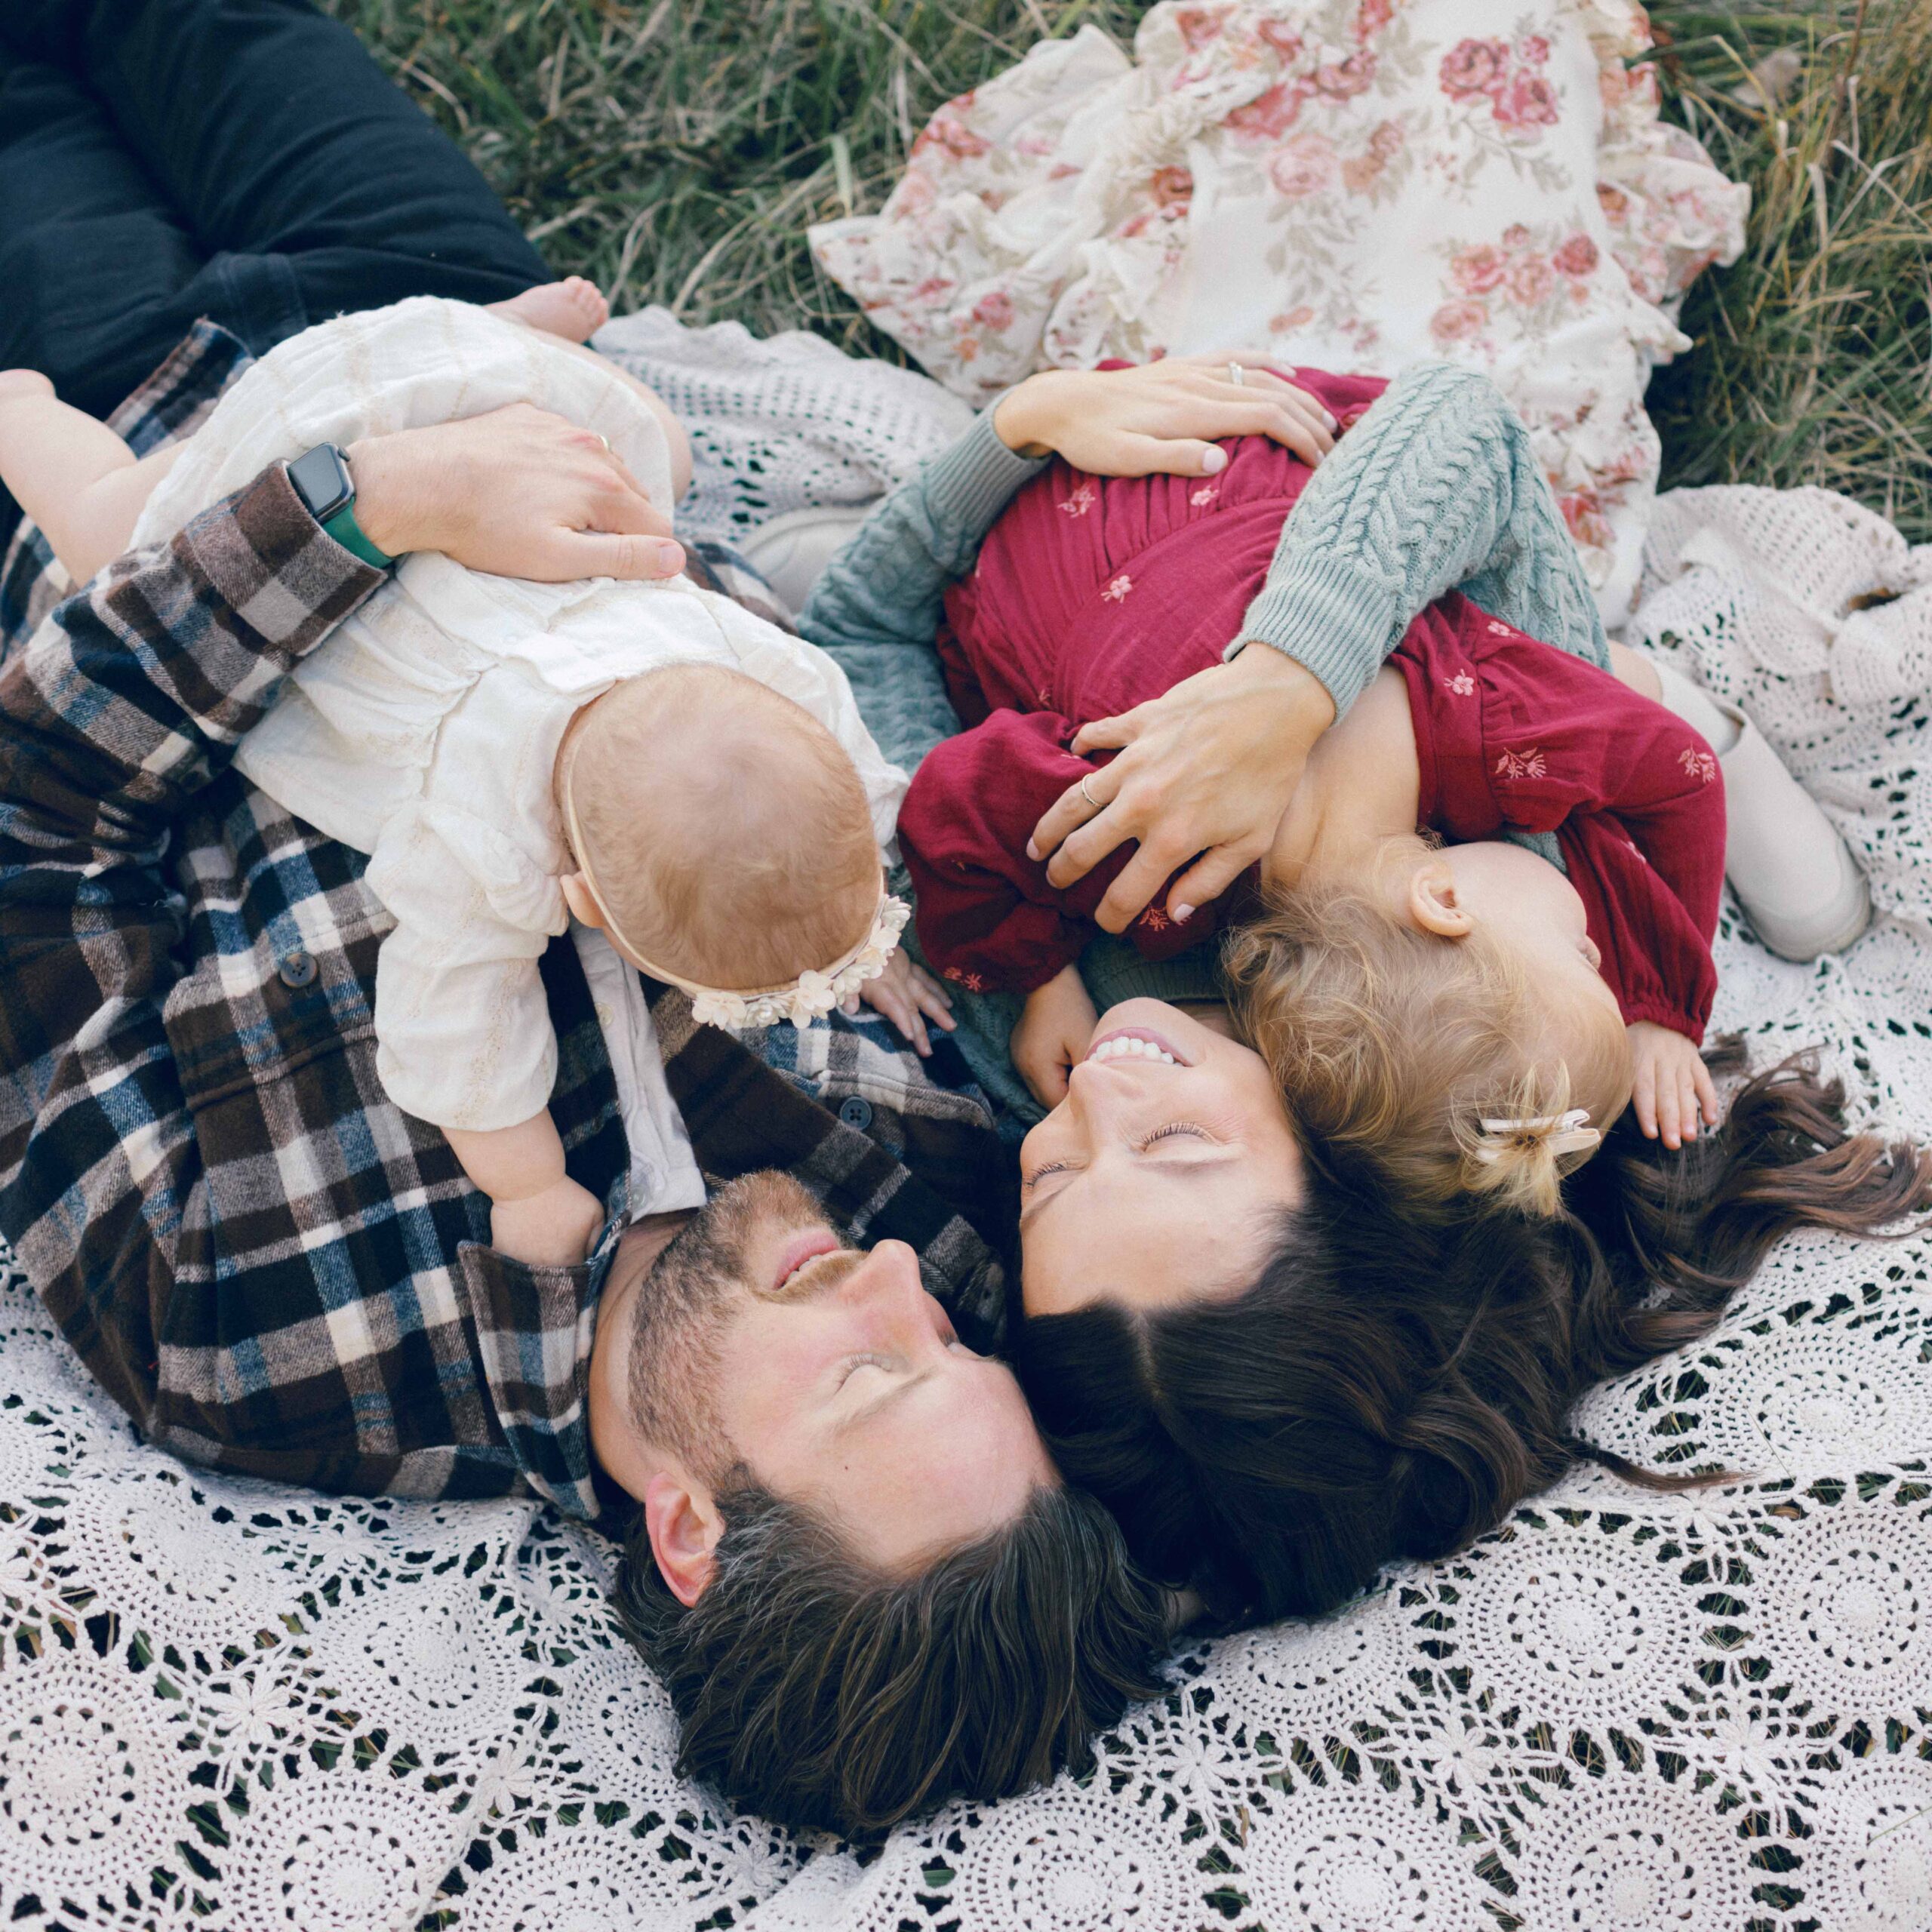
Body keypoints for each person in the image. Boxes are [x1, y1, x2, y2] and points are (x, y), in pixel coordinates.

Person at [0, 0, 1342, 1838]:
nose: (906, 1286)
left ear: (692, 1528)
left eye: (877, 1373)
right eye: (953, 1344)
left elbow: (40, 843)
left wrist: (357, 509)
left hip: (97, 424)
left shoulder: (240, 1332)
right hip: (465, 330)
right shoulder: (935, 1181)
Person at [795, 361, 1930, 1633]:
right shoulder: (1497, 903)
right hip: (1553, 719)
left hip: (1108, 555)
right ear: (1347, 1170)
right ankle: (1689, 706)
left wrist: (1011, 437)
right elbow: (1473, 433)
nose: (1105, 1093)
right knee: (1622, 736)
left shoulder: (1047, 1044)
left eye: (1050, 1179)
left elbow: (858, 642)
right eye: (1173, 1146)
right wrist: (1294, 684)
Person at [0, 293, 946, 1266]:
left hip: (468, 382)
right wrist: (528, 1186)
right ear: (576, 895)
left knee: (659, 448)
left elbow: (842, 767)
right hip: (284, 478)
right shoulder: (484, 827)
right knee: (106, 533)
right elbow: (455, 1032)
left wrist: (861, 932)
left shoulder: (736, 655)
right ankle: (18, 413)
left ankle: (527, 326)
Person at [894, 364, 1737, 1205]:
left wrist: (1659, 996)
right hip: (1109, 522)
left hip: (1146, 501)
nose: (1600, 944)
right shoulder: (1165, 891)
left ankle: (1652, 681)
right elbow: (954, 802)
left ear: (1442, 898)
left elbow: (1679, 773)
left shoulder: (1493, 727)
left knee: (1611, 712)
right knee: (1609, 703)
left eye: (1584, 956)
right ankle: (1646, 679)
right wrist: (1042, 977)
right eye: (1601, 961)